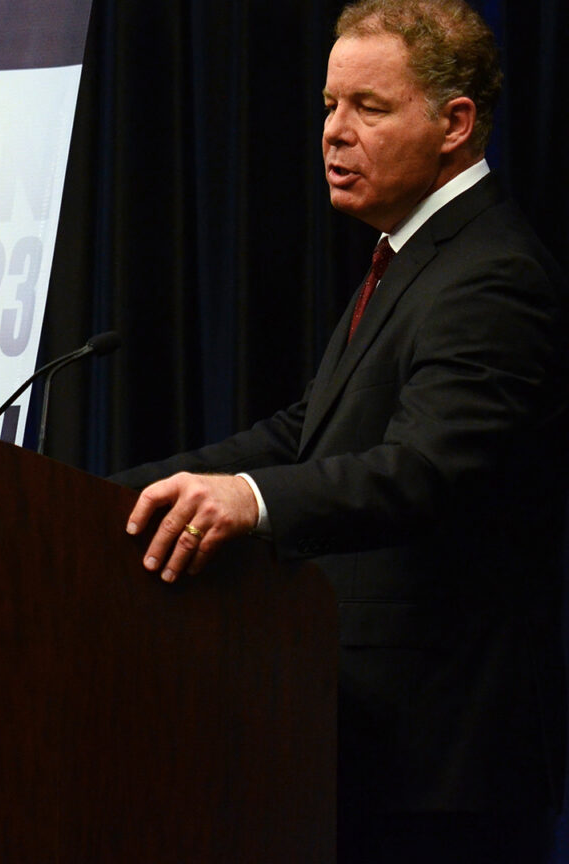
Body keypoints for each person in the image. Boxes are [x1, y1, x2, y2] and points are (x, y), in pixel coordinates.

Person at [110, 1, 567, 861]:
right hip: (376, 751)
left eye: (369, 107)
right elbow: (305, 432)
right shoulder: (414, 259)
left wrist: (248, 503)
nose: (334, 132)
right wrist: (118, 498)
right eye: (329, 105)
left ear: (454, 124)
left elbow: (424, 468)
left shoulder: (491, 273)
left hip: (444, 765)